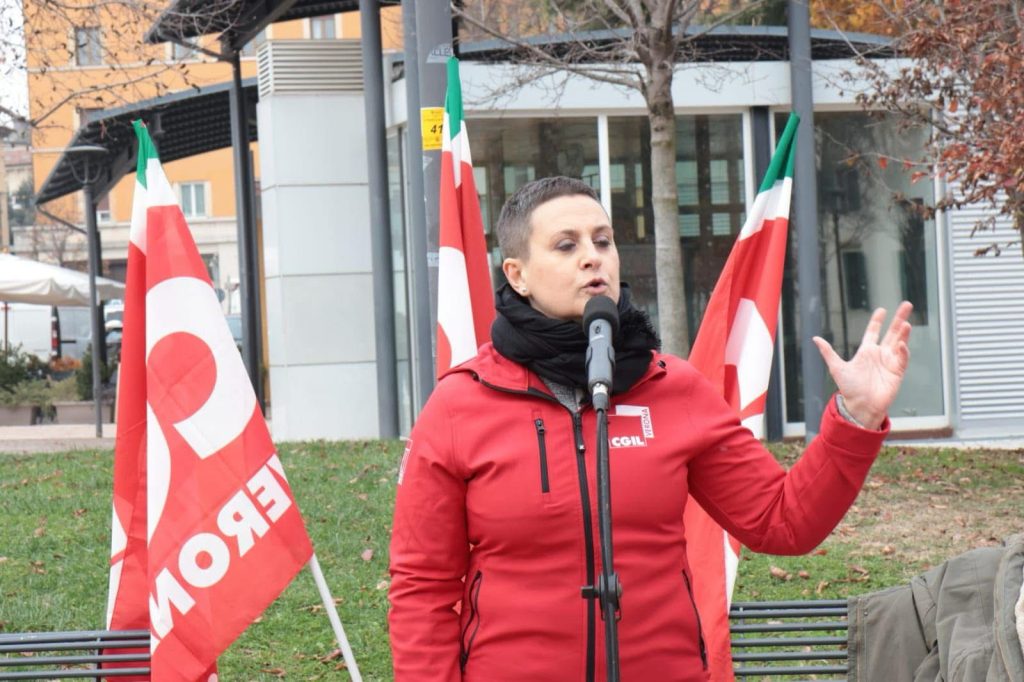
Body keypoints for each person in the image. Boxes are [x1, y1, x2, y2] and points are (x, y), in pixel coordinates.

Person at [388, 176, 913, 682]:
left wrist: (856, 418)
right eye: (566, 246)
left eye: (603, 240)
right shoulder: (460, 404)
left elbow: (782, 521)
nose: (593, 257)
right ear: (517, 274)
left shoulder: (674, 389)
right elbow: (422, 588)